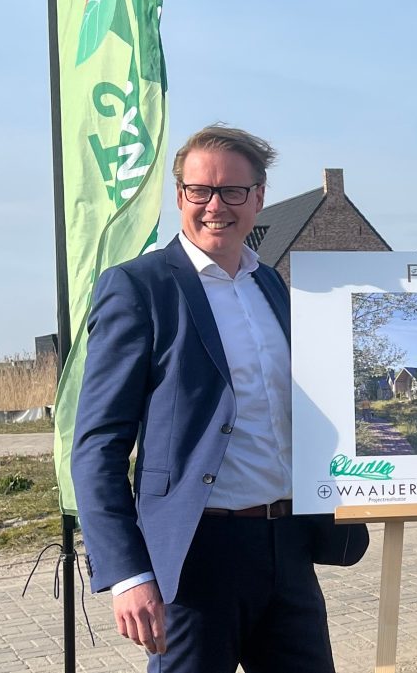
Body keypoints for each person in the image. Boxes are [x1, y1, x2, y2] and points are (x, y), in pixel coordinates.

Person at [72, 124, 343, 671]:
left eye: (232, 191)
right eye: (200, 190)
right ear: (180, 196)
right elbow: (97, 446)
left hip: (288, 547)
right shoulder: (139, 288)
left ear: (258, 197)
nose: (215, 206)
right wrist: (128, 573)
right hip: (196, 558)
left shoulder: (272, 285)